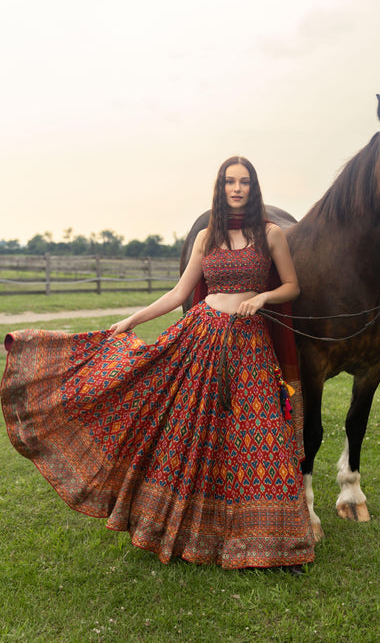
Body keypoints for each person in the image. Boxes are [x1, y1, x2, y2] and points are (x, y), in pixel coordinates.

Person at [1, 156, 314, 570]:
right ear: (220, 189)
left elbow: (292, 286)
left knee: (262, 436)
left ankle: (277, 544)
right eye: (229, 182)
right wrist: (133, 318)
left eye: (244, 182)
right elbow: (179, 292)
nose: (236, 188)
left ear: (253, 188)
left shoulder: (272, 235)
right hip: (202, 338)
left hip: (250, 345)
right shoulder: (207, 236)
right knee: (192, 434)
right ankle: (191, 532)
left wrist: (261, 297)